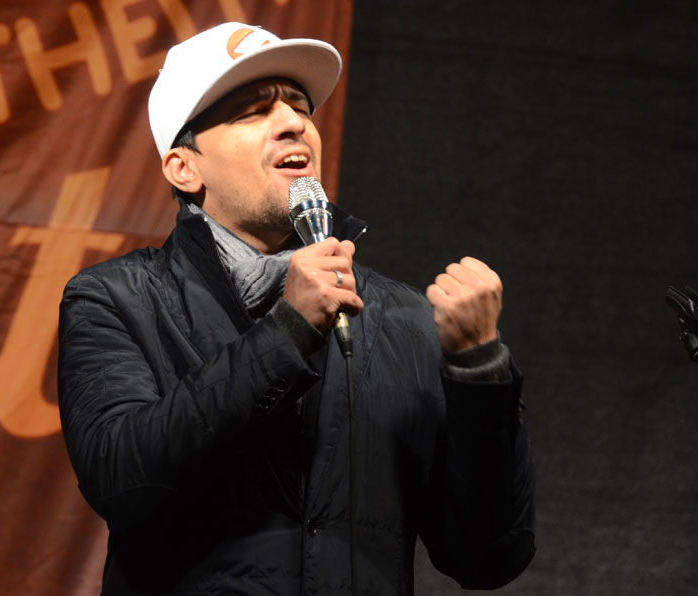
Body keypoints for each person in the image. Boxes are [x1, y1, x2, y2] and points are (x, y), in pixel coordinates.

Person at [58, 22, 535, 596]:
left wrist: (479, 373)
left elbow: (488, 558)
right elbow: (121, 481)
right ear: (184, 167)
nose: (294, 123)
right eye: (253, 112)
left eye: (300, 107)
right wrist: (288, 331)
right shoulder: (115, 299)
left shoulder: (404, 318)